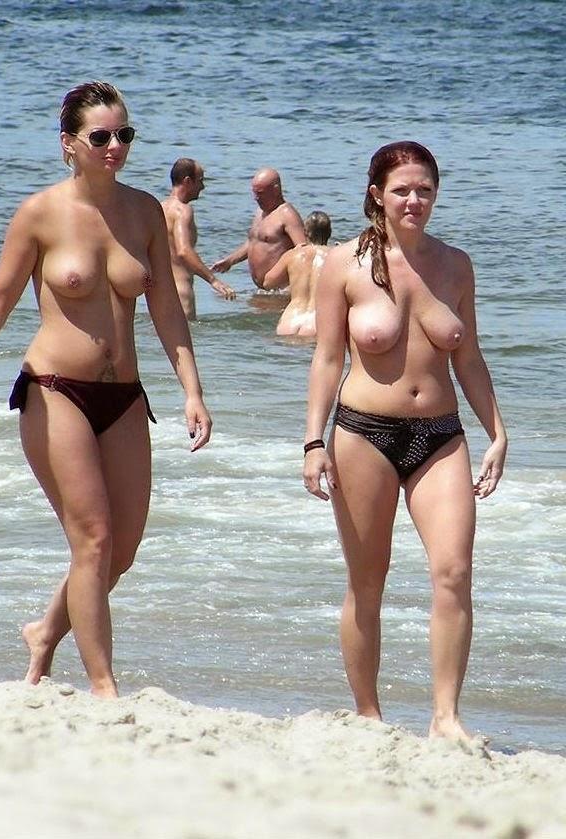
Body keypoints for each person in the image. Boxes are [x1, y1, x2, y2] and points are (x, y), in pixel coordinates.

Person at [0, 81, 213, 698]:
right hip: (55, 390)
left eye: (125, 135)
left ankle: (45, 631)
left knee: (121, 551)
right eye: (101, 136)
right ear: (69, 142)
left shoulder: (145, 212)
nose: (114, 146)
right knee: (92, 539)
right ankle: (103, 687)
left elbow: (166, 310)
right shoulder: (39, 213)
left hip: (124, 397)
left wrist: (192, 390)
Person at [302, 141, 507, 740]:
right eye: (402, 190)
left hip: (441, 436)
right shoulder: (343, 264)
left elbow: (469, 358)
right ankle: (369, 715)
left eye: (424, 190)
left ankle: (445, 717)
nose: (414, 200)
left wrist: (498, 432)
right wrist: (313, 441)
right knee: (368, 581)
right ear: (377, 195)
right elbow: (327, 358)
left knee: (454, 571)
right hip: (362, 434)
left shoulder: (456, 265)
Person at [161, 158, 236, 320]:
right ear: (187, 181)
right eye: (200, 180)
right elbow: (183, 251)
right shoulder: (183, 211)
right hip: (181, 295)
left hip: (159, 295)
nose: (203, 186)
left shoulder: (160, 208)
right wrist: (214, 281)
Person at [211, 168, 307, 288]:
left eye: (260, 193)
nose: (256, 198)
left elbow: (304, 252)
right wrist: (230, 261)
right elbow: (253, 242)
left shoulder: (287, 214)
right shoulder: (260, 212)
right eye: (254, 193)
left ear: (276, 190)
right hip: (262, 292)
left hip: (282, 291)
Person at [262, 210, 332, 338]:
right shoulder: (335, 255)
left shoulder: (293, 255)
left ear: (305, 232)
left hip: (290, 320)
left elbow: (268, 283)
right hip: (316, 322)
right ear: (329, 233)